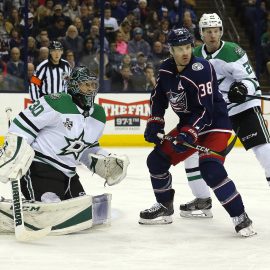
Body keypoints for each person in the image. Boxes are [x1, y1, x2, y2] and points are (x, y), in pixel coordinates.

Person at [139, 27, 256, 237]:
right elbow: (158, 98)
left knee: (211, 169)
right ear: (170, 50)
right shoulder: (166, 69)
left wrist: (189, 132)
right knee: (156, 162)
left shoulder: (201, 68)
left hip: (215, 125)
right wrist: (155, 122)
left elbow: (206, 110)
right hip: (189, 127)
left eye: (187, 47)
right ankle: (165, 206)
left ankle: (240, 216)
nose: (185, 52)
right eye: (179, 48)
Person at [180, 13, 270, 218]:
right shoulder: (194, 55)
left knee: (265, 151)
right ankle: (202, 200)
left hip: (243, 108)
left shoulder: (233, 51)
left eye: (216, 30)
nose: (212, 35)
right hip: (216, 115)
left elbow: (251, 81)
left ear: (221, 31)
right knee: (192, 154)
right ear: (201, 34)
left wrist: (241, 88)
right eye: (208, 31)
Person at [0, 66, 129, 203]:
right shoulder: (56, 102)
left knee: (82, 208)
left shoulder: (98, 114)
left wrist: (103, 158)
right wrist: (13, 152)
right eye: (86, 85)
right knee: (51, 206)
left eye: (93, 84)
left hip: (69, 175)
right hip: (40, 169)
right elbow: (22, 126)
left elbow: (86, 148)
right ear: (74, 86)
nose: (91, 89)